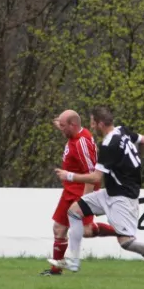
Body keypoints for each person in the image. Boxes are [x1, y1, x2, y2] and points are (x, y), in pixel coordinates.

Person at [49, 105, 144, 279]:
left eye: (93, 123)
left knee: (126, 243)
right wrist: (136, 162)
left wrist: (69, 176)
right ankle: (73, 260)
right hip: (110, 192)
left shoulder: (108, 145)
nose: (92, 127)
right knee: (74, 211)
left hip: (123, 197)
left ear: (101, 123)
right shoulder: (123, 131)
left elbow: (96, 178)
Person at [41, 109, 118, 276]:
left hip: (82, 189)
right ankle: (56, 270)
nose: (60, 129)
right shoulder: (73, 134)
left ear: (73, 125)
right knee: (59, 228)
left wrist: (85, 200)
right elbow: (65, 124)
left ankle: (119, 231)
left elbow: (93, 175)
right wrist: (58, 122)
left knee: (87, 230)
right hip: (69, 189)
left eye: (62, 126)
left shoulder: (82, 143)